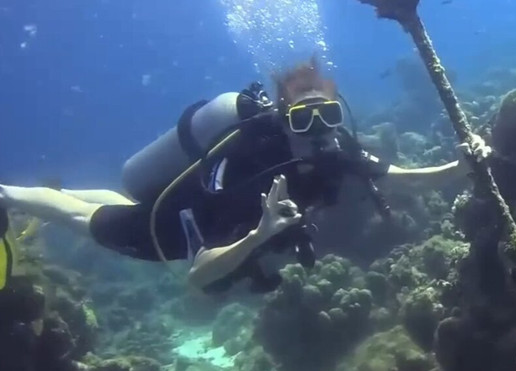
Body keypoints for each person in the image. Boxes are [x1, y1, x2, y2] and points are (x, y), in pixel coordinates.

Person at [0, 58, 489, 294]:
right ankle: (9, 194)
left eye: (328, 118)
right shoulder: (252, 166)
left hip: (186, 210)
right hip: (169, 229)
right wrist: (258, 236)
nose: (318, 134)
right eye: (303, 121)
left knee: (111, 201)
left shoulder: (336, 150)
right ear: (282, 119)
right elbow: (198, 273)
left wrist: (460, 166)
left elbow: (406, 179)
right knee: (84, 221)